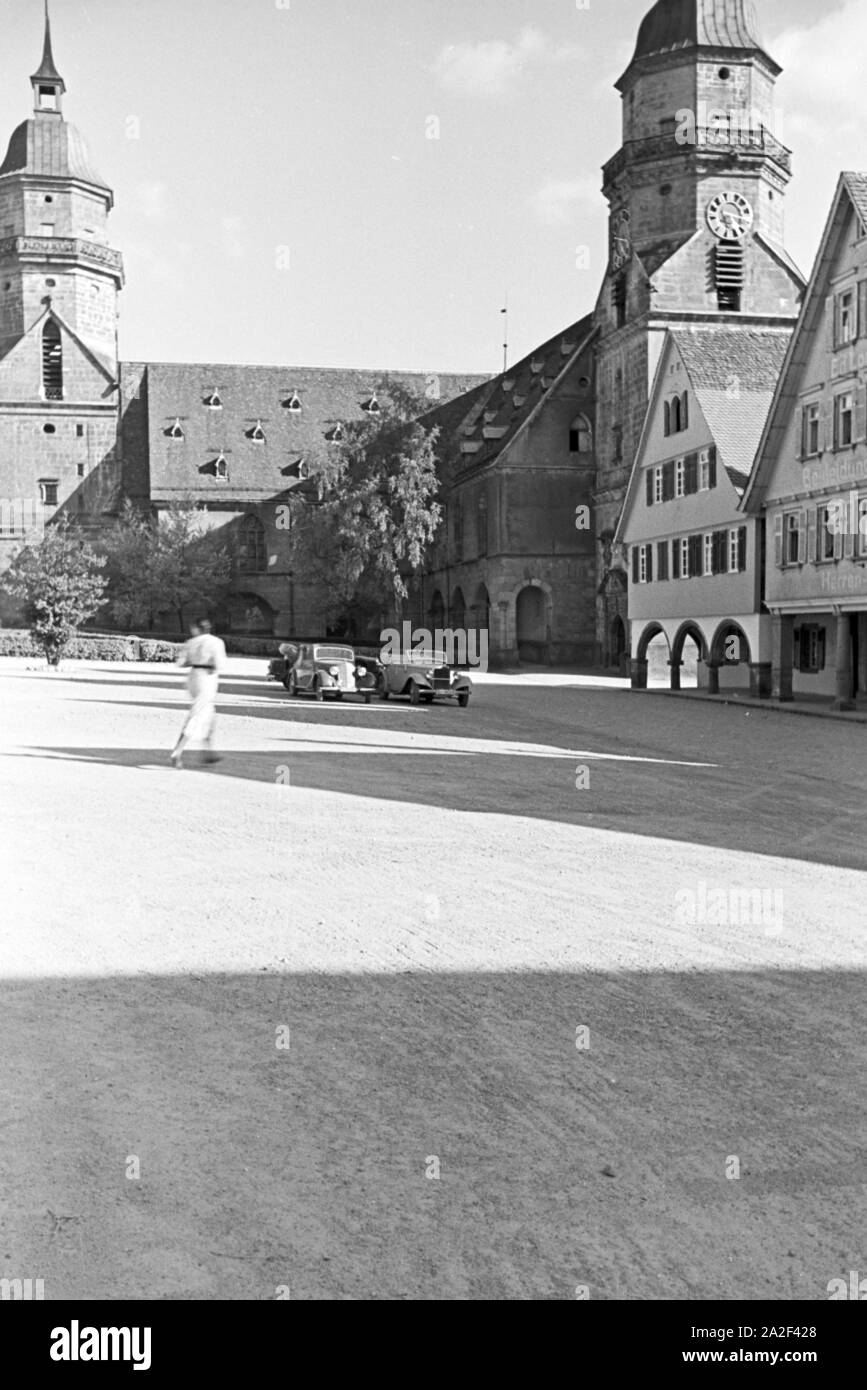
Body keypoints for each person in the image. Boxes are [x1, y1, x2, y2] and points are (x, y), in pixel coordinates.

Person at [170, 618, 227, 769]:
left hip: (193, 677)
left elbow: (180, 663)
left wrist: (194, 660)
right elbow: (219, 665)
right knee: (197, 714)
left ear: (197, 628)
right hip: (206, 678)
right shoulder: (216, 642)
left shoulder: (191, 642)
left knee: (209, 714)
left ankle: (208, 752)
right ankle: (177, 751)